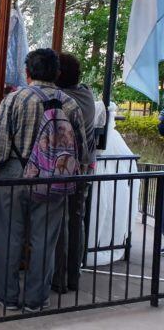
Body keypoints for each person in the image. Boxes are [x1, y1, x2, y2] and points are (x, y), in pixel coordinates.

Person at [0, 48, 88, 312]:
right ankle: (36, 299)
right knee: (45, 239)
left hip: (14, 176)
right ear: (57, 73)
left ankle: (7, 296)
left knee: (9, 235)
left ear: (27, 72)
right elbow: (81, 149)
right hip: (54, 180)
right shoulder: (70, 103)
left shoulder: (16, 98)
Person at [52, 53, 96, 293]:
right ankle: (73, 275)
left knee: (60, 221)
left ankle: (58, 278)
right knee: (76, 219)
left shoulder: (62, 100)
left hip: (65, 168)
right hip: (85, 168)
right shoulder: (87, 94)